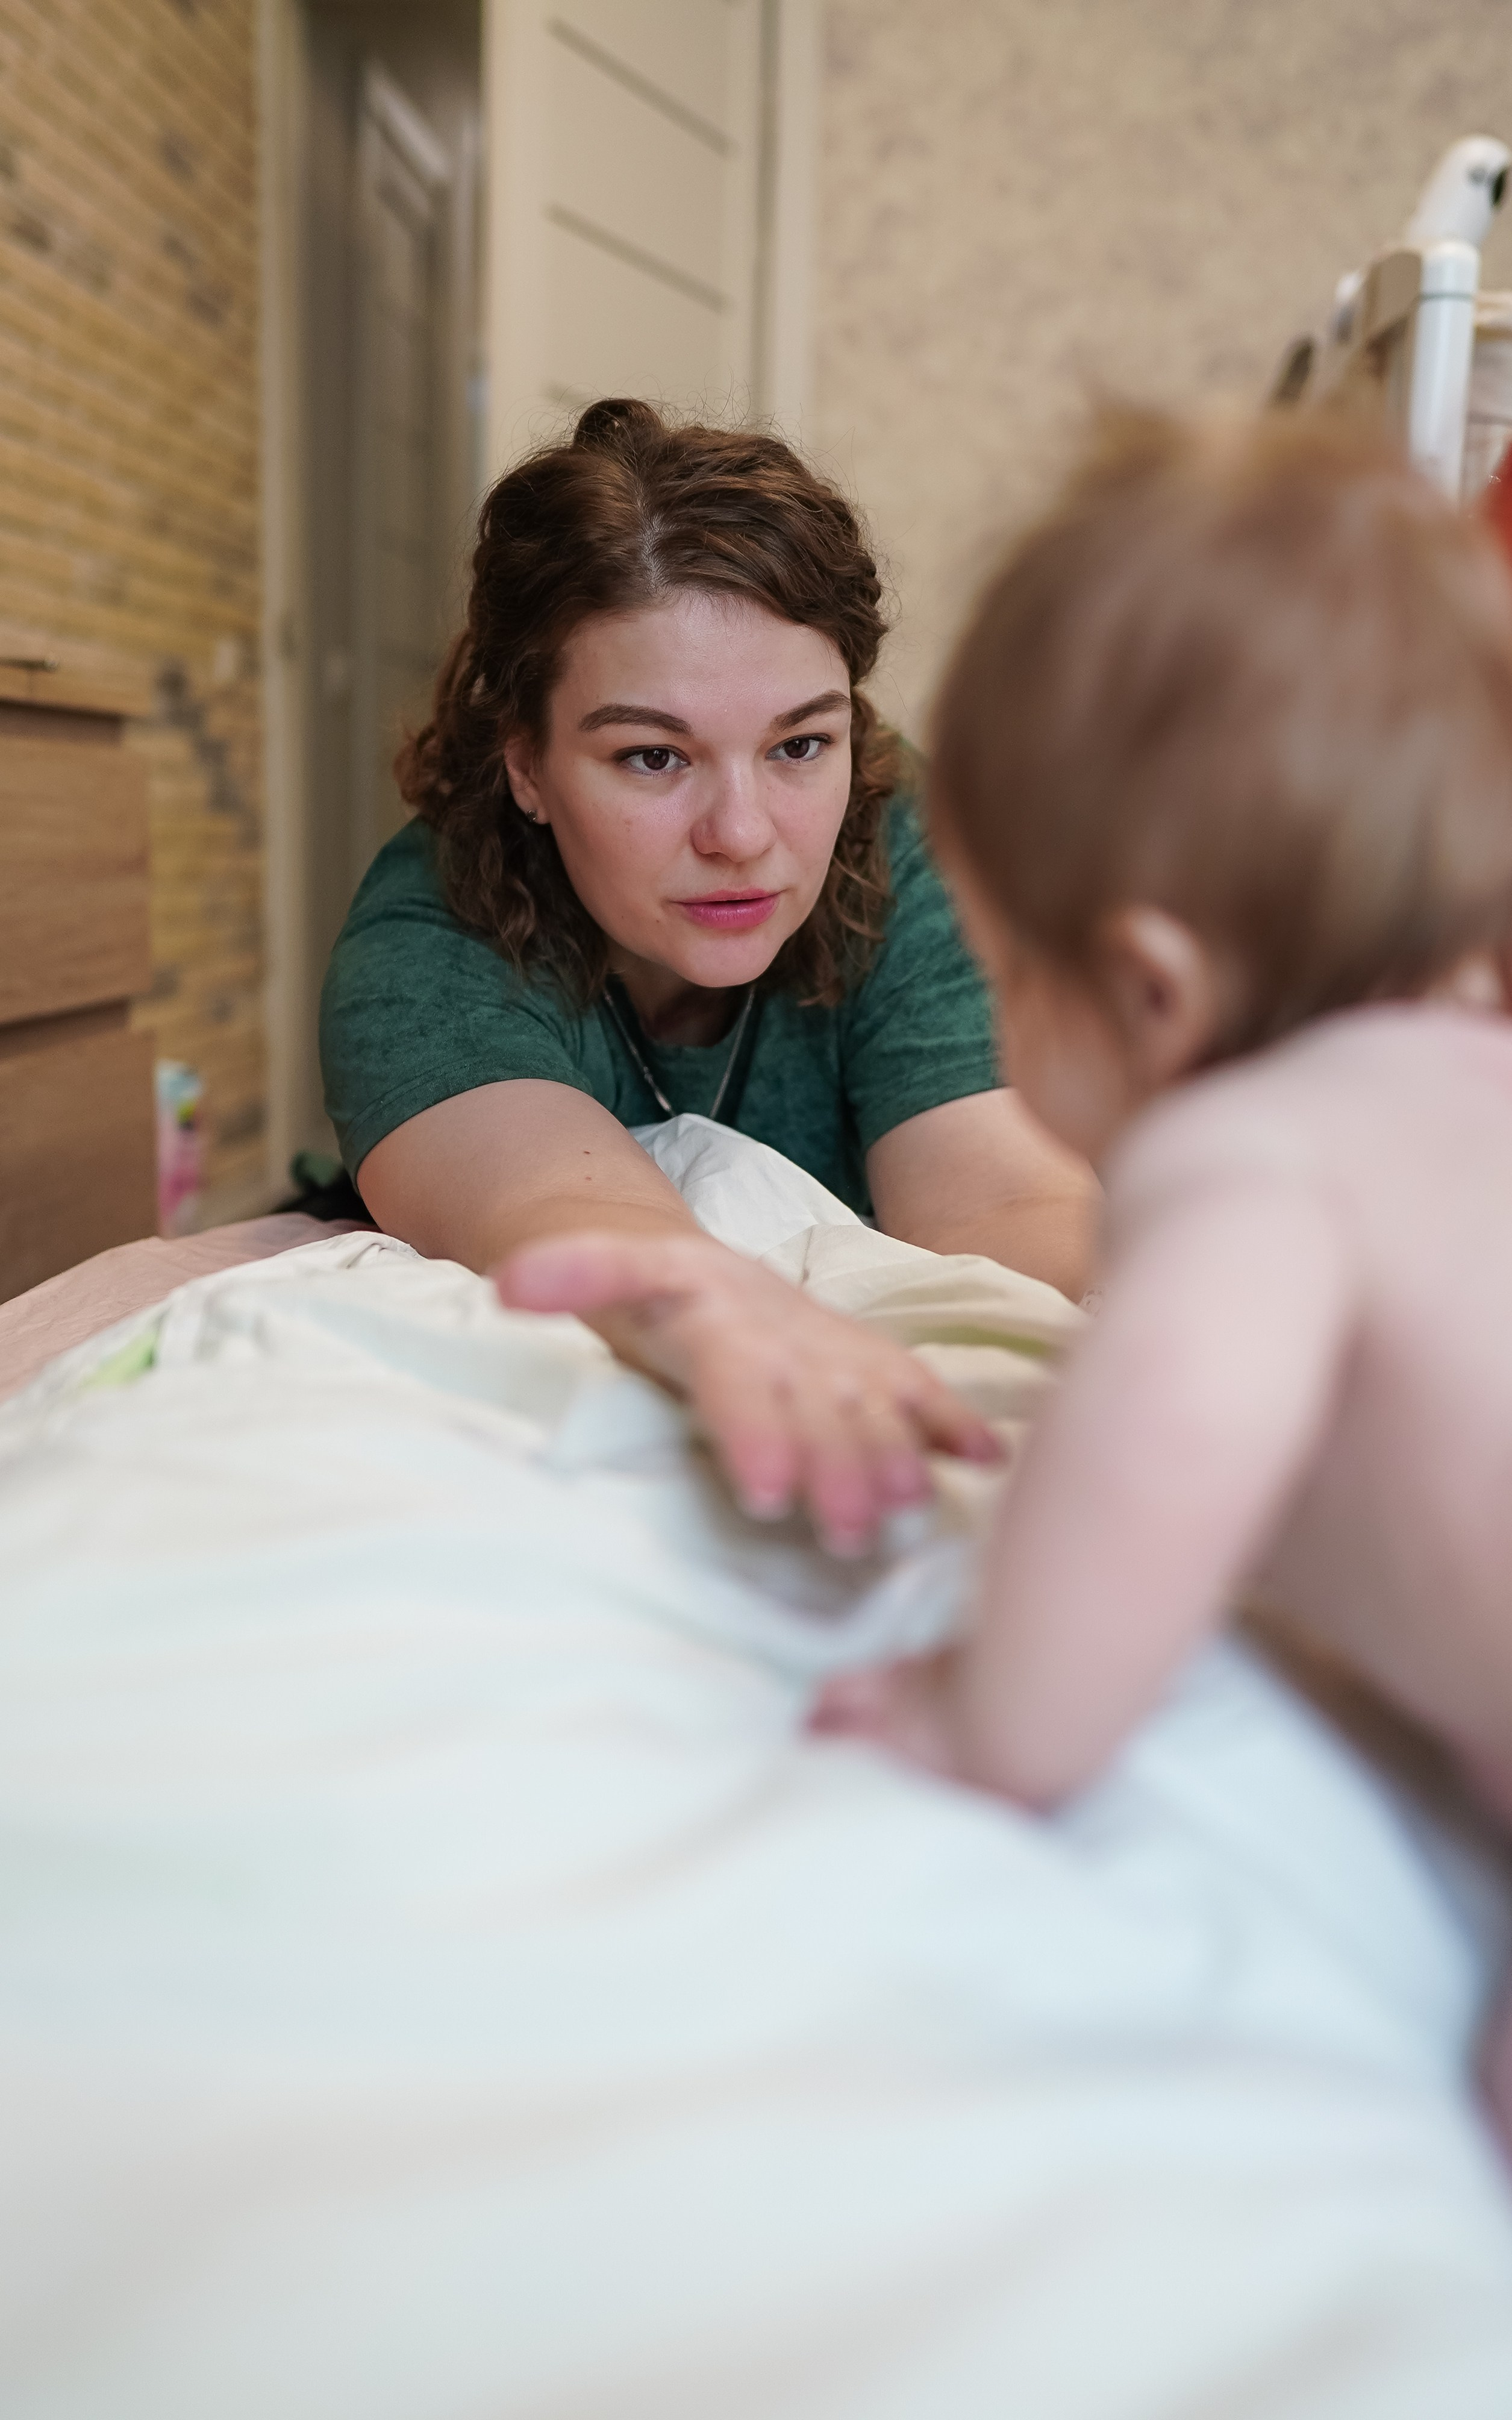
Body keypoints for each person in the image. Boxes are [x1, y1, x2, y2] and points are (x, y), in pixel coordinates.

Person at [810, 406, 1512, 2133]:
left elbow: (1169, 1431)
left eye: (995, 980)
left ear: (1146, 990)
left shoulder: (1248, 1154)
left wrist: (993, 1715)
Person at [320, 398, 1096, 1555]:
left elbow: (996, 1200)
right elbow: (561, 1210)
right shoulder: (426, 935)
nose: (742, 833)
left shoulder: (902, 842)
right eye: (651, 756)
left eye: (799, 745)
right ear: (526, 764)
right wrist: (727, 1314)